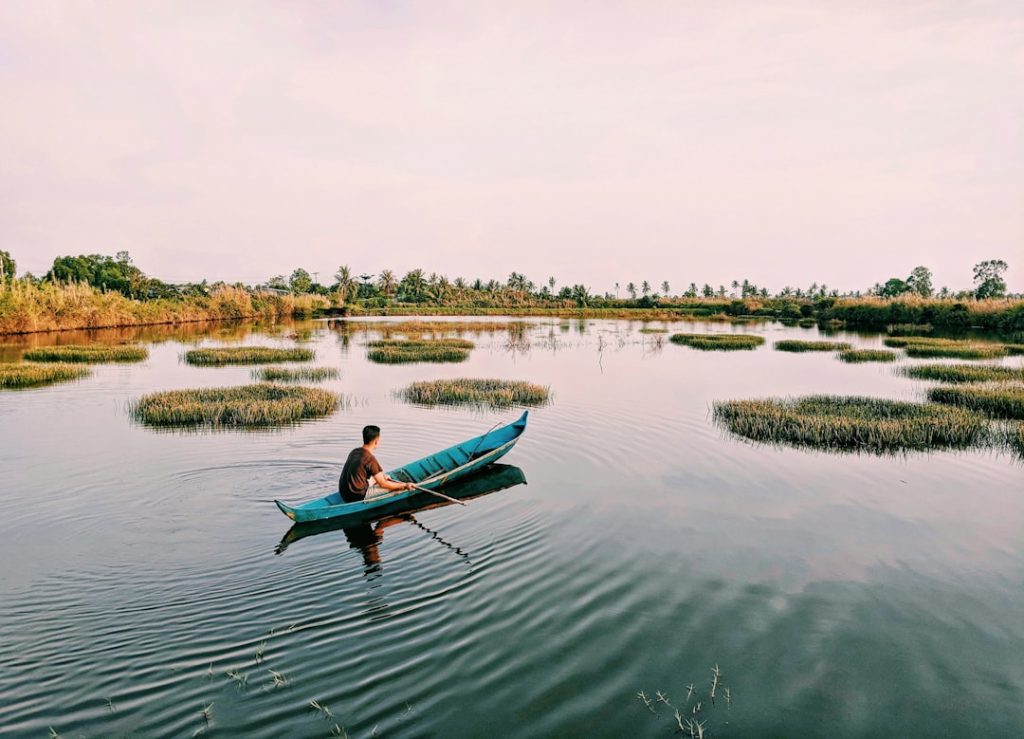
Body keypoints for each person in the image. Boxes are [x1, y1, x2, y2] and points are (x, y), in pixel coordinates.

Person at [339, 425, 415, 503]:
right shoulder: (370, 459)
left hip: (344, 493)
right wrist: (405, 485)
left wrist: (381, 478)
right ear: (376, 441)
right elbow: (383, 484)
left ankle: (379, 479)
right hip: (357, 496)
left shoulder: (355, 452)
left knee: (380, 478)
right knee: (396, 488)